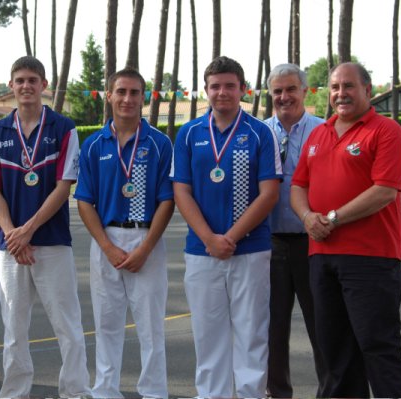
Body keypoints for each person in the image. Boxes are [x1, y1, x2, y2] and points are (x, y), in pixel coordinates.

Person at [290, 62, 401, 398]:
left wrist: (332, 218)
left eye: (348, 86)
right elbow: (298, 186)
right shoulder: (318, 134)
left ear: (367, 90)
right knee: (335, 354)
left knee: (377, 349)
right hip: (322, 258)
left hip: (370, 259)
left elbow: (385, 190)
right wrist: (307, 217)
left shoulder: (386, 131)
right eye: (334, 87)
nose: (340, 94)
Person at [170, 56, 282, 398]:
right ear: (205, 90)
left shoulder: (260, 132)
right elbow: (181, 191)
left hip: (250, 250)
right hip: (202, 251)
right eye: (215, 86)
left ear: (242, 90)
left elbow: (270, 194)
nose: (222, 92)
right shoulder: (188, 134)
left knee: (251, 334)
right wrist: (209, 238)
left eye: (230, 86)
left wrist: (230, 238)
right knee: (208, 335)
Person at [0, 55, 90, 398]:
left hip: (52, 242)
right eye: (20, 80)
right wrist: (13, 234)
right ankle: (14, 392)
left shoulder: (64, 127)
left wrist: (28, 229)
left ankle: (75, 391)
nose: (26, 86)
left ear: (44, 85)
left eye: (33, 79)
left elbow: (64, 186)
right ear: (11, 86)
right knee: (14, 328)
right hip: (12, 247)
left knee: (67, 326)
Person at [75, 68, 174, 398]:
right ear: (109, 95)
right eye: (121, 91)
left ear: (144, 97)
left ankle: (154, 392)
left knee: (150, 327)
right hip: (107, 241)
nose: (128, 99)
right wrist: (107, 247)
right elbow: (85, 201)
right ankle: (105, 391)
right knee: (106, 325)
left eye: (135, 92)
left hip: (147, 241)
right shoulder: (92, 145)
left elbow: (167, 200)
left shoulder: (160, 143)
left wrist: (145, 247)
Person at [264, 63, 327, 398]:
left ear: (305, 91)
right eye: (278, 91)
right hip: (270, 244)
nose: (284, 97)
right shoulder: (261, 133)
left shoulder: (325, 130)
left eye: (291, 89)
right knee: (272, 329)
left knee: (323, 326)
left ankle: (330, 391)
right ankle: (277, 392)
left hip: (315, 244)